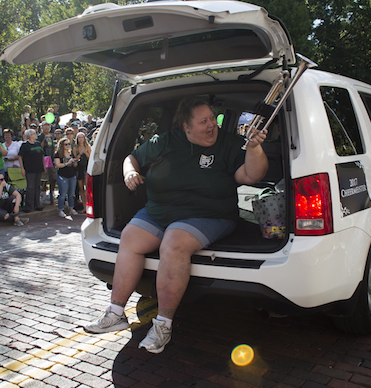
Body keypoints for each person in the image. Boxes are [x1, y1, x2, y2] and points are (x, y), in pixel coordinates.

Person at [83, 98, 268, 353]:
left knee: (174, 241)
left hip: (209, 214)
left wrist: (255, 148)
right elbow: (131, 158)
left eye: (213, 118)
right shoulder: (165, 141)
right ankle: (115, 313)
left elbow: (251, 175)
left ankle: (163, 324)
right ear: (186, 127)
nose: (212, 125)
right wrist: (129, 172)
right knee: (130, 237)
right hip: (160, 210)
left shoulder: (228, 143)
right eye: (203, 121)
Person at [18, 129, 45, 213]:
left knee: (37, 187)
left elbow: (42, 156)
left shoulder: (37, 143)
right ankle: (28, 206)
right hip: (29, 169)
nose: (36, 134)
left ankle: (37, 204)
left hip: (38, 168)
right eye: (34, 133)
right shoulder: (25, 145)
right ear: (30, 135)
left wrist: (44, 166)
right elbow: (20, 157)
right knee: (30, 187)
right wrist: (22, 168)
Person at [54, 137, 78, 218]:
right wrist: (67, 163)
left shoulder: (71, 153)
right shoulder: (58, 154)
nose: (68, 146)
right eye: (66, 144)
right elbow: (58, 165)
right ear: (62, 145)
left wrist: (75, 162)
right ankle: (60, 209)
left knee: (71, 194)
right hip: (62, 176)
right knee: (63, 194)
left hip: (72, 175)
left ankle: (71, 208)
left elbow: (74, 165)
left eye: (68, 144)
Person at [38, 122, 56, 205]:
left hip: (51, 160)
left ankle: (51, 193)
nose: (46, 127)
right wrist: (44, 139)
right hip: (43, 159)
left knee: (53, 177)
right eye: (44, 126)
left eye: (47, 126)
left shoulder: (51, 137)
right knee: (43, 178)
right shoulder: (39, 137)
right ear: (41, 127)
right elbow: (39, 148)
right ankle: (43, 195)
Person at [73, 132, 91, 213]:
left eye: (82, 137)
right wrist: (80, 154)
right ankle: (84, 207)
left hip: (86, 168)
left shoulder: (87, 147)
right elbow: (75, 159)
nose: (80, 139)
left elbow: (90, 158)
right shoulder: (75, 148)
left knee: (87, 188)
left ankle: (89, 207)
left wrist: (85, 152)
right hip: (79, 169)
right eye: (79, 137)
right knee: (81, 189)